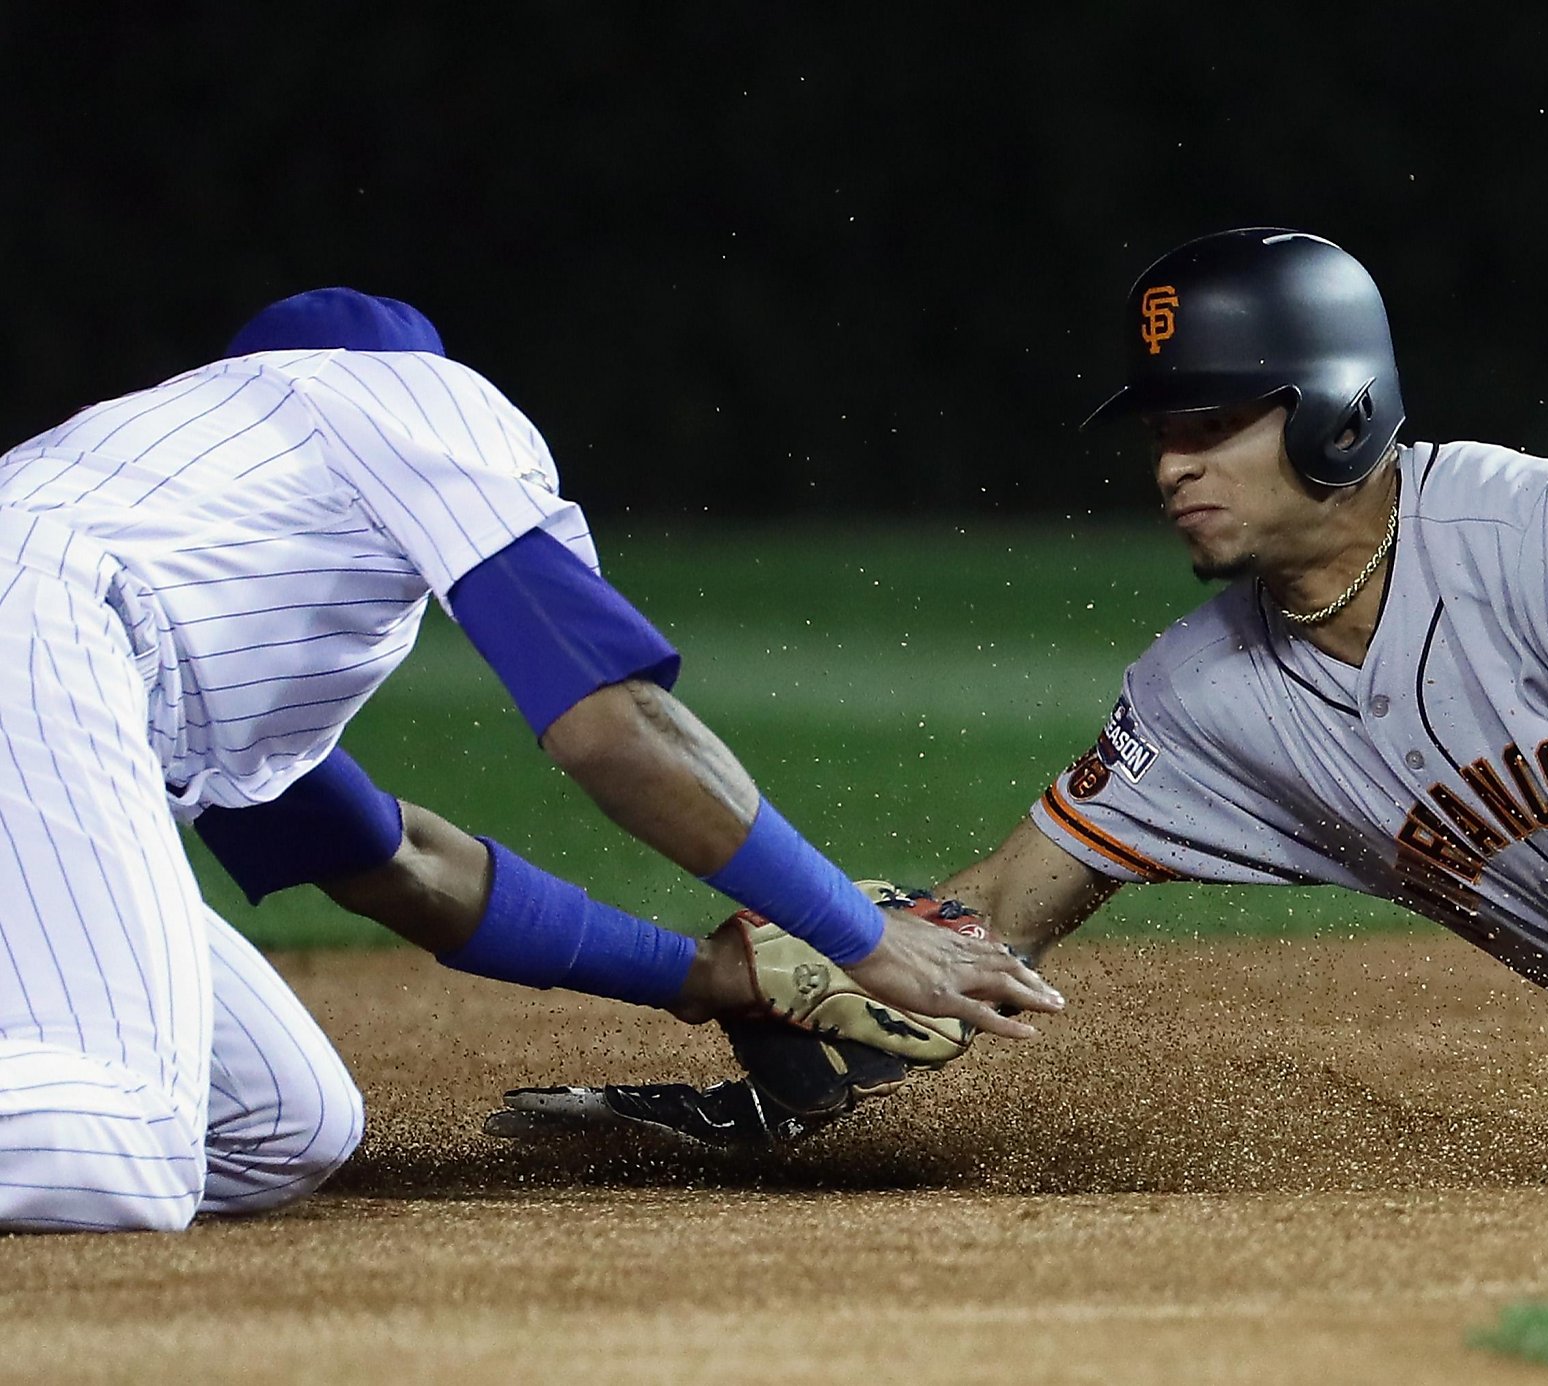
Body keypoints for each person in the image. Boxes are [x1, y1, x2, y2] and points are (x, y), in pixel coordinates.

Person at [508, 227, 1548, 1152]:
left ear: (1337, 407)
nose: (1172, 462)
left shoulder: (1523, 523)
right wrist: (797, 1035)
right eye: (1162, 427)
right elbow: (994, 917)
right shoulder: (1201, 700)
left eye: (1214, 419)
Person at [0, 287, 1060, 1232]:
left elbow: (394, 861)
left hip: (58, 636)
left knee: (280, 1126)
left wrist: (702, 977)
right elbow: (612, 726)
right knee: (122, 1146)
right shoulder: (417, 402)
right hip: (40, 612)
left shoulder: (198, 543)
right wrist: (855, 933)